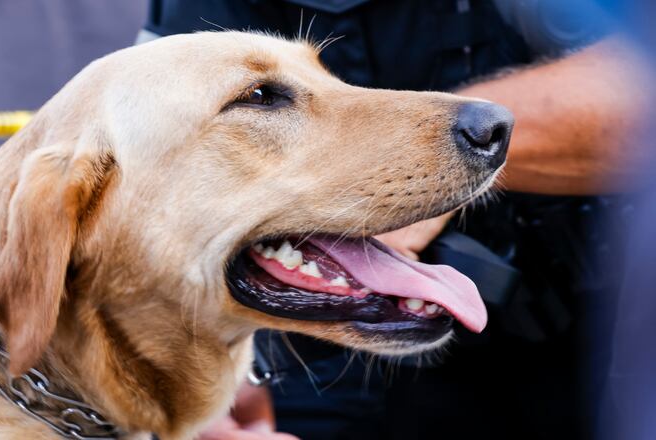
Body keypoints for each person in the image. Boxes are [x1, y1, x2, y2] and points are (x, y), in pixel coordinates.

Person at [138, 1, 652, 438]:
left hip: (601, 339)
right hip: (320, 351)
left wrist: (427, 156)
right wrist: (209, 380)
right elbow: (173, 165)